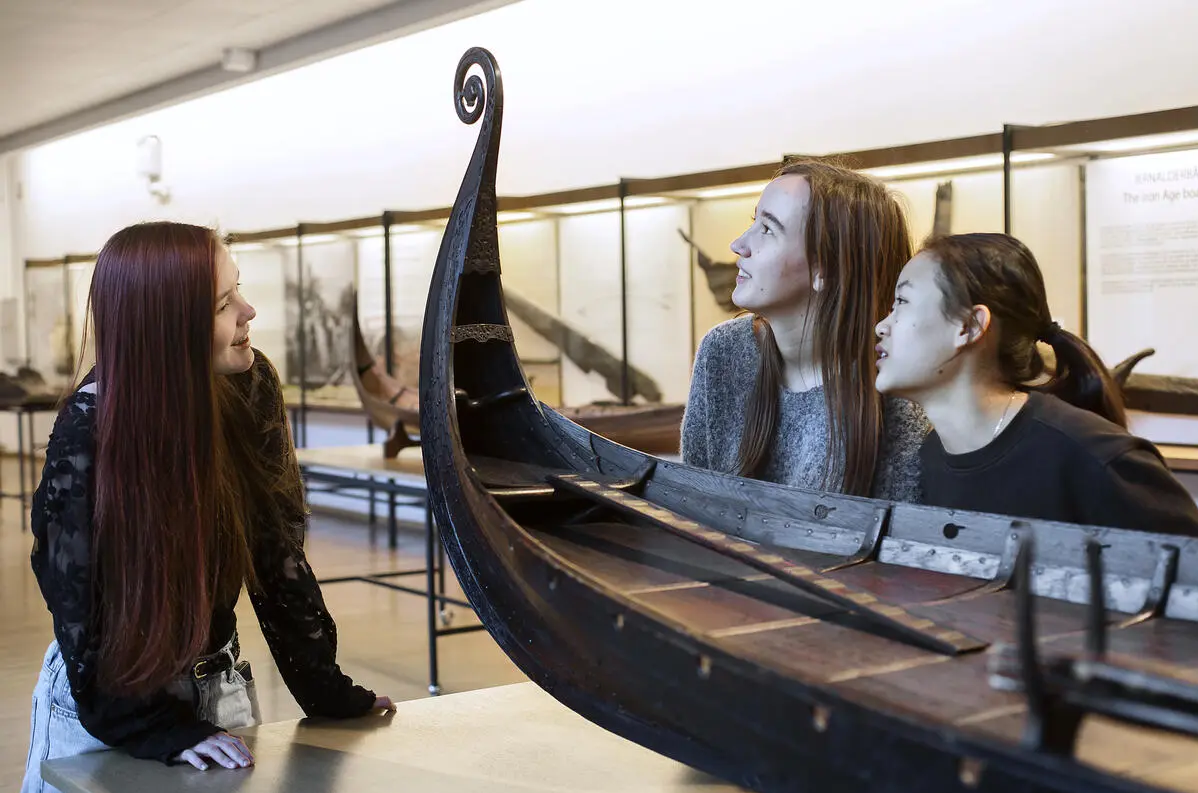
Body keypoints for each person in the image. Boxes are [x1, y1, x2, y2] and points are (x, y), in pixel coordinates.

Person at [23, 222, 394, 793]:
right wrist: (147, 725)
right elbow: (77, 599)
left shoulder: (250, 385)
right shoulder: (89, 428)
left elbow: (274, 548)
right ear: (167, 326)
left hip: (215, 689)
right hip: (108, 705)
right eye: (225, 303)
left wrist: (323, 688)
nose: (249, 311)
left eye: (238, 291)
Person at [874, 231, 1198, 534]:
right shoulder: (930, 457)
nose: (881, 327)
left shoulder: (1094, 458)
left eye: (902, 303)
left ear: (969, 327)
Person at [681, 160, 928, 500]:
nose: (738, 245)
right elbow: (689, 508)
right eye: (754, 222)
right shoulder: (723, 352)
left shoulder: (896, 392)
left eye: (768, 229)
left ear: (823, 269)